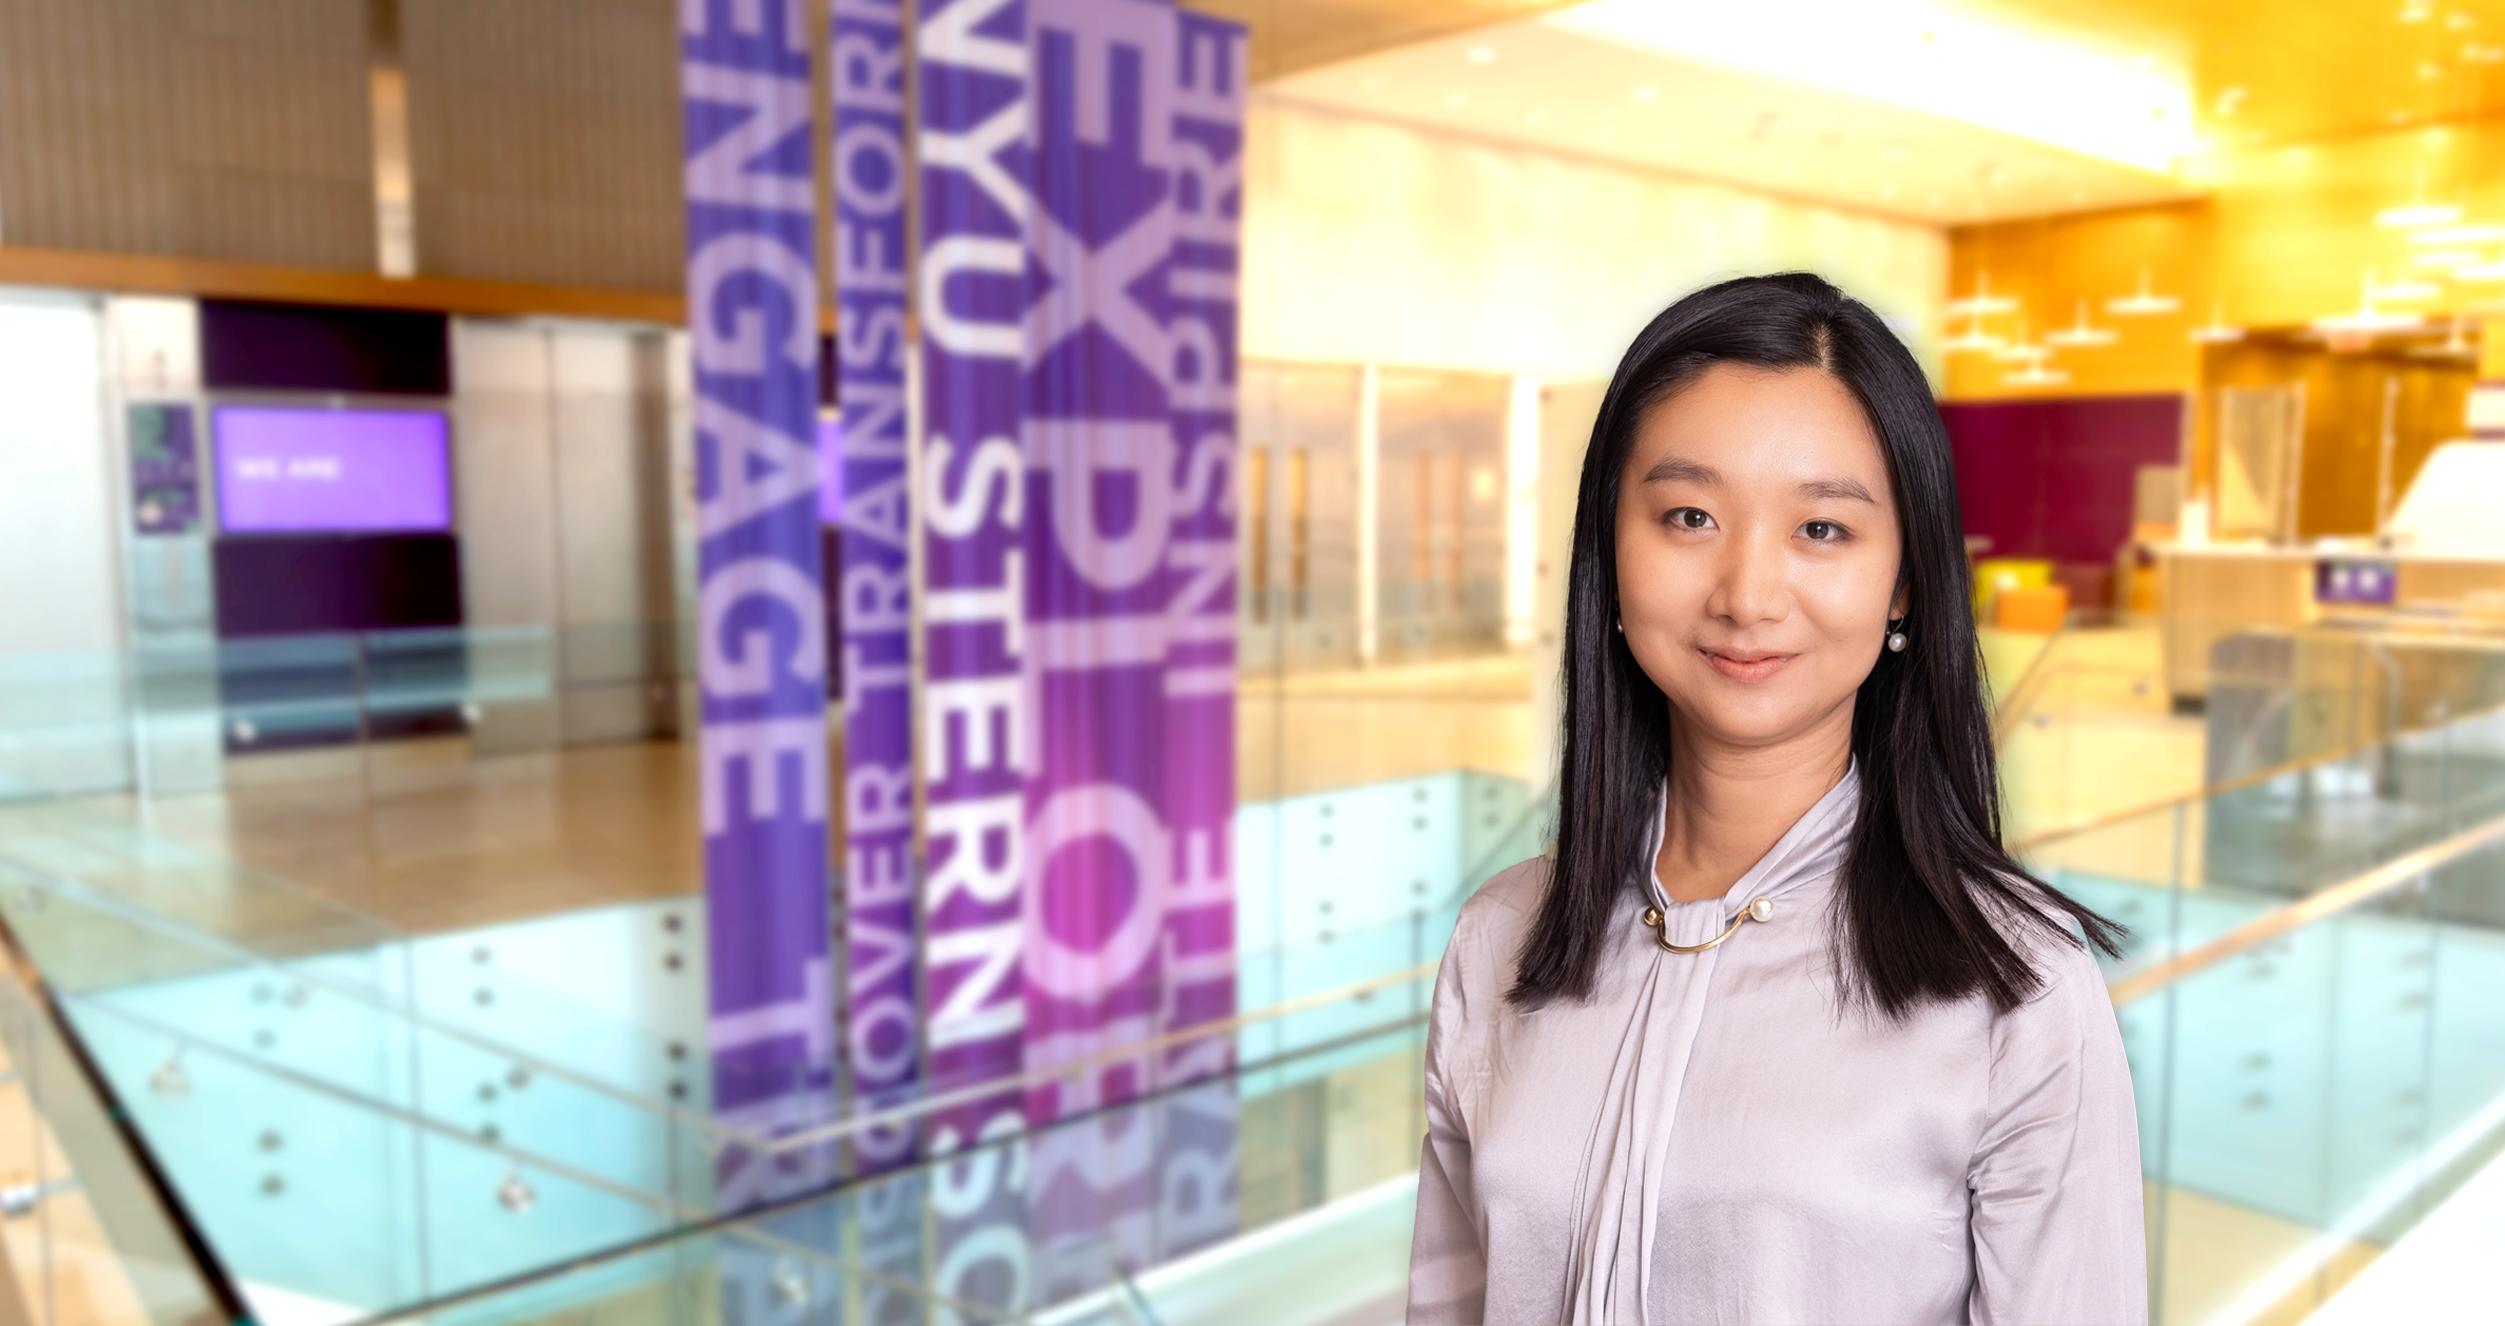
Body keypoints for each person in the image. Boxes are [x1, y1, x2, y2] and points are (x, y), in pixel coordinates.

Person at [1404, 272, 2147, 1325]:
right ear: (1610, 557)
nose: (1748, 595)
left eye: (1822, 531)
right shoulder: (1500, 941)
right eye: (1690, 515)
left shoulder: (2015, 988)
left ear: (1903, 582)